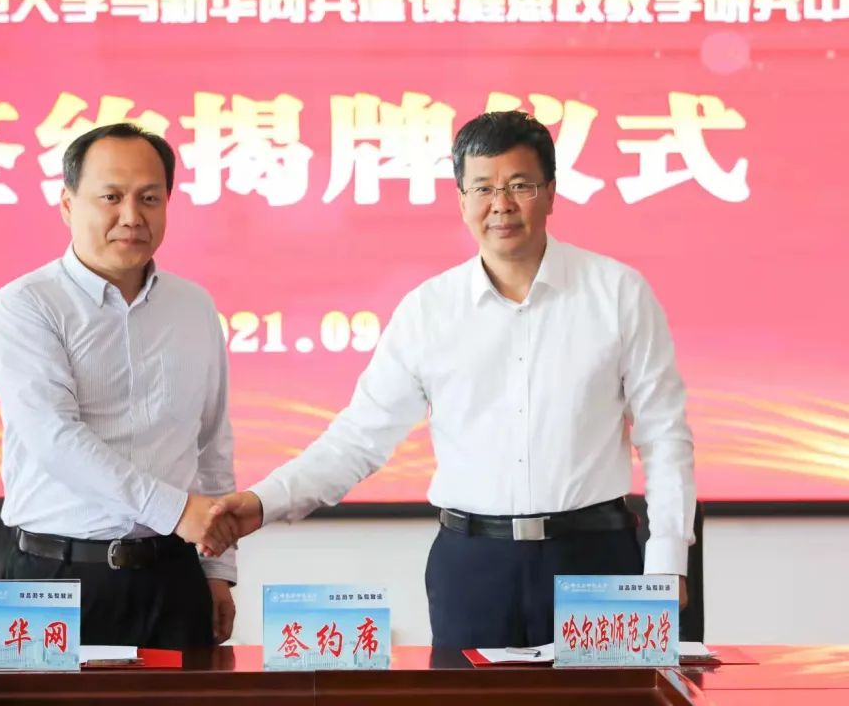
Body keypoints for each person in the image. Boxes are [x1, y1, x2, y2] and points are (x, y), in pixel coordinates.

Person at [205, 111, 696, 649]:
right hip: (474, 567)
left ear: (551, 193)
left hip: (595, 559)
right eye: (483, 188)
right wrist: (262, 502)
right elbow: (358, 440)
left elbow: (664, 435)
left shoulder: (618, 293)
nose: (501, 204)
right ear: (462, 200)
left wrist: (667, 562)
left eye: (520, 186)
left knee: (613, 694)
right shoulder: (428, 311)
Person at [0, 123, 239, 648]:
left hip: (174, 578)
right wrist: (176, 511)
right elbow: (55, 439)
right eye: (111, 197)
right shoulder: (26, 305)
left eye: (150, 198)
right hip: (55, 577)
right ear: (67, 204)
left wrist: (218, 569)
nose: (132, 216)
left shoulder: (193, 307)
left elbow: (212, 442)